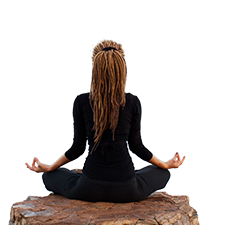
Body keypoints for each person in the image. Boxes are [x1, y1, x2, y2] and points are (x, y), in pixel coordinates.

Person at [25, 39, 185, 203]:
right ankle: (136, 175)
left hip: (88, 189)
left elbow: (77, 148)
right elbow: (136, 145)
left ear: (95, 70)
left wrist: (51, 167)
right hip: (128, 190)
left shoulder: (81, 102)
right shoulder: (132, 102)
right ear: (122, 69)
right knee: (162, 173)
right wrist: (165, 165)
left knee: (49, 176)